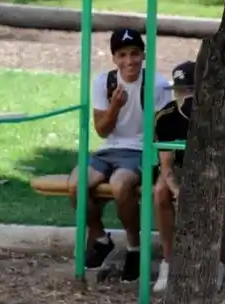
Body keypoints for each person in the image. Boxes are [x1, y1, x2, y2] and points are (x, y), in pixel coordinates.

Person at [68, 28, 171, 282]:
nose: (129, 61)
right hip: (109, 149)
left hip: (139, 151)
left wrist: (161, 165)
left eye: (134, 54)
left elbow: (163, 130)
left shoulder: (156, 85)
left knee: (120, 185)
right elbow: (102, 131)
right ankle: (101, 238)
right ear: (114, 58)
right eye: (122, 55)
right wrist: (115, 106)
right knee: (75, 184)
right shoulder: (103, 82)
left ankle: (134, 248)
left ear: (143, 55)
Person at [151, 60, 225, 293]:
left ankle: (215, 263)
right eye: (181, 90)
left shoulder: (222, 114)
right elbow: (166, 166)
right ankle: (169, 262)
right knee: (159, 192)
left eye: (191, 89)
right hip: (182, 166)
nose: (185, 95)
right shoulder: (165, 117)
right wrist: (178, 191)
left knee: (222, 192)